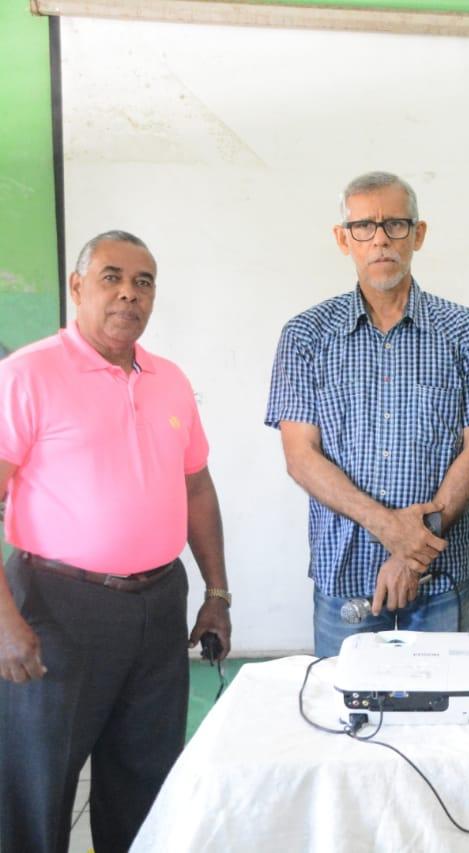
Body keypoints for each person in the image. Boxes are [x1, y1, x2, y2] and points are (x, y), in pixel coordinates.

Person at [0, 231, 232, 853]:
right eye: (112, 277)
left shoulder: (171, 380)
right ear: (78, 287)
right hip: (56, 606)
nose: (129, 293)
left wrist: (216, 592)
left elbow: (198, 489)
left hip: (158, 606)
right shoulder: (26, 375)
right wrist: (3, 620)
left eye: (144, 282)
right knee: (37, 782)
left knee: (146, 778)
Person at [266, 171, 469, 657]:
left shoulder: (468, 333)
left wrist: (413, 552)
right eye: (363, 227)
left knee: (443, 719)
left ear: (418, 234)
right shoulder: (305, 337)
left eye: (396, 224)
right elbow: (301, 457)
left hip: (441, 573)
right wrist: (390, 529)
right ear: (343, 239)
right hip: (346, 571)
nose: (380, 238)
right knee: (346, 718)